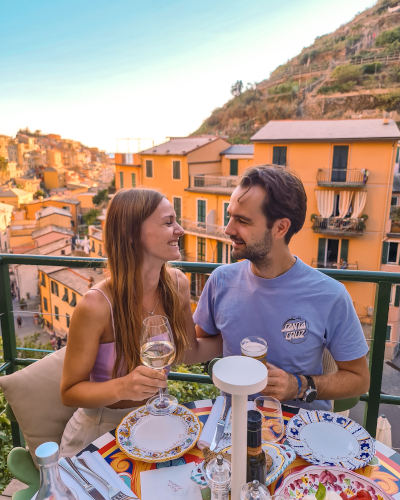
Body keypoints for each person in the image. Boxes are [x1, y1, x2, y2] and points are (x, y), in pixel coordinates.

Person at [60, 188, 222, 457]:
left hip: (154, 424)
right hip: (101, 432)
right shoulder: (96, 306)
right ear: (133, 235)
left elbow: (188, 351)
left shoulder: (177, 284)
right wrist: (123, 387)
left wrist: (240, 334)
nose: (180, 230)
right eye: (168, 222)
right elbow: (69, 392)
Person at [194, 165, 370, 410]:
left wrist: (297, 385)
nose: (228, 229)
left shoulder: (330, 294)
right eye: (230, 216)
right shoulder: (220, 280)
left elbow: (359, 381)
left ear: (280, 228)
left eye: (242, 221)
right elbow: (201, 345)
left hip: (301, 433)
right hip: (233, 424)